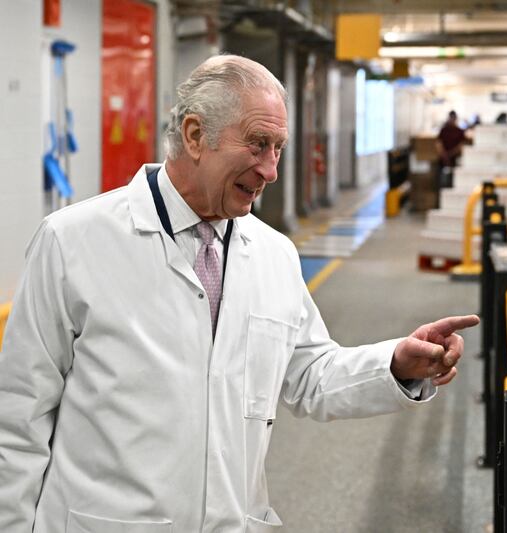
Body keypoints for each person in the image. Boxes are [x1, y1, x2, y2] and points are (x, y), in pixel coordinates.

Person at [0, 55, 479, 532]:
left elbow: (310, 374)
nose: (270, 170)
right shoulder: (72, 242)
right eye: (258, 144)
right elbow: (18, 416)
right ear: (194, 136)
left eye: (278, 148)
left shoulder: (273, 254)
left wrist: (395, 364)